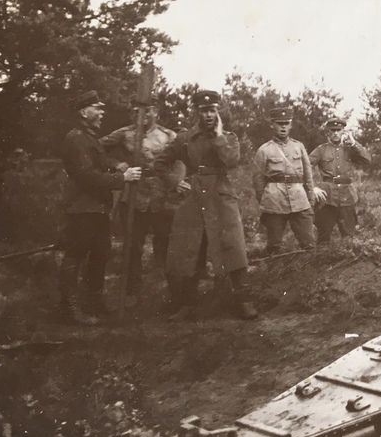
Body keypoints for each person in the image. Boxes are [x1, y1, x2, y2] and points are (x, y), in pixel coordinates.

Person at [158, 90, 256, 321]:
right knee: (189, 249)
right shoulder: (184, 138)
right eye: (204, 110)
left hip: (220, 196)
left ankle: (242, 301)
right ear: (197, 112)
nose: (209, 114)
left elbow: (232, 161)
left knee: (233, 245)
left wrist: (219, 136)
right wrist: (175, 182)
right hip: (193, 198)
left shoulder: (228, 137)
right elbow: (160, 162)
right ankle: (186, 304)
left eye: (213, 110)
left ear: (218, 111)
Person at [58, 90, 141, 325]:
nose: (102, 112)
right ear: (85, 112)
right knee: (75, 256)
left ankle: (93, 302)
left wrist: (116, 167)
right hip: (82, 209)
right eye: (98, 108)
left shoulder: (89, 137)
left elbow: (101, 165)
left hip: (97, 209)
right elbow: (86, 176)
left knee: (100, 255)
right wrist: (122, 178)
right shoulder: (76, 139)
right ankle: (69, 308)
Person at [100, 97, 177, 298]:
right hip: (134, 195)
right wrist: (116, 164)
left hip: (162, 196)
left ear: (156, 113)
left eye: (147, 111)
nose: (141, 115)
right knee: (133, 246)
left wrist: (178, 181)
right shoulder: (124, 134)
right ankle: (133, 291)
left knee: (168, 241)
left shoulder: (168, 136)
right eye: (135, 111)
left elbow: (182, 158)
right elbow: (96, 148)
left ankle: (172, 291)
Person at [252, 107, 320, 255]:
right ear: (272, 124)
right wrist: (266, 200)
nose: (283, 127)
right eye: (279, 123)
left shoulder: (299, 147)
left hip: (299, 199)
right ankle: (276, 274)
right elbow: (258, 180)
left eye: (286, 123)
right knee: (274, 246)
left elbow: (308, 175)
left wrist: (310, 199)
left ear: (291, 125)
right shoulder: (264, 150)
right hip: (275, 201)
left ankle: (310, 275)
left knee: (309, 243)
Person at [309, 116, 372, 244]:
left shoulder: (350, 149)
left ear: (343, 131)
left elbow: (367, 160)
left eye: (339, 130)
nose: (336, 133)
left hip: (347, 196)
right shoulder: (321, 150)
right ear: (328, 133)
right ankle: (323, 262)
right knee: (323, 236)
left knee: (349, 236)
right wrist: (313, 187)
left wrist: (354, 143)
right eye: (333, 130)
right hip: (327, 198)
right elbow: (304, 167)